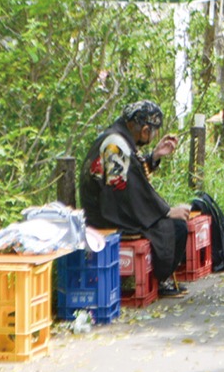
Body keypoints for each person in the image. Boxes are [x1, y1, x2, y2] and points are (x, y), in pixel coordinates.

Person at [80, 100, 190, 297]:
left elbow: (131, 175)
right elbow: (125, 191)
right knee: (176, 227)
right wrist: (165, 211)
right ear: (145, 130)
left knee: (168, 222)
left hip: (111, 207)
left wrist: (154, 156)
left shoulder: (117, 137)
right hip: (106, 214)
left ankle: (159, 279)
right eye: (153, 132)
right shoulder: (115, 144)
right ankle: (161, 280)